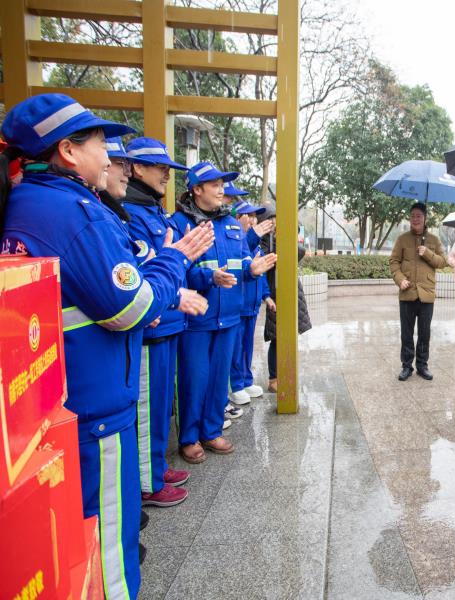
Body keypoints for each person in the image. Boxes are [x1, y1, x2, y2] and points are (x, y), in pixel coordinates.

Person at [0, 93, 214, 598]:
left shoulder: (31, 204)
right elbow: (129, 306)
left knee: (79, 542)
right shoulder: (74, 212)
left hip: (64, 402)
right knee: (109, 548)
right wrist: (171, 262)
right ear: (69, 152)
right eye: (101, 144)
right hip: (96, 408)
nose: (110, 156)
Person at [171, 162, 276, 464]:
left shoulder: (230, 224)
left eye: (222, 184)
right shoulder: (180, 223)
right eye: (214, 185)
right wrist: (209, 278)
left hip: (229, 315)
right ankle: (189, 437)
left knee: (218, 379)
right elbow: (178, 269)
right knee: (194, 378)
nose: (221, 190)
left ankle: (212, 429)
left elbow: (243, 260)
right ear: (196, 189)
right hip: (197, 318)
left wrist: (251, 269)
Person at [122, 137, 203, 508]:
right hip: (153, 324)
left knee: (160, 406)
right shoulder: (131, 214)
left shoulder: (153, 212)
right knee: (147, 406)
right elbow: (141, 269)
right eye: (161, 169)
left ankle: (154, 465)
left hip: (170, 322)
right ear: (137, 168)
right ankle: (147, 482)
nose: (167, 177)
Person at [389, 202, 447, 381]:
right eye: (413, 215)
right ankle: (407, 366)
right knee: (406, 333)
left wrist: (427, 253)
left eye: (419, 216)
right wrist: (400, 280)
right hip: (407, 293)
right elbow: (394, 262)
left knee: (424, 332)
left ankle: (422, 365)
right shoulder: (402, 239)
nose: (415, 219)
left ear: (425, 218)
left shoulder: (434, 240)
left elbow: (443, 262)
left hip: (426, 294)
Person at [259, 205, 310, 394]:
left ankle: (286, 372)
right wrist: (276, 242)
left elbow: (300, 252)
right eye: (272, 221)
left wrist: (285, 238)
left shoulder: (287, 241)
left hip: (291, 291)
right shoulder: (264, 242)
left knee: (289, 334)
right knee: (276, 337)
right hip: (275, 292)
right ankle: (273, 378)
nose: (274, 225)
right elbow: (266, 261)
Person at [228, 196, 271, 406]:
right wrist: (250, 235)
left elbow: (260, 275)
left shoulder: (256, 246)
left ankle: (245, 380)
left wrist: (266, 296)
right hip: (237, 305)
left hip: (252, 306)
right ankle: (235, 385)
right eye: (249, 216)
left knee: (247, 346)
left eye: (255, 216)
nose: (253, 220)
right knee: (235, 348)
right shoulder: (235, 240)